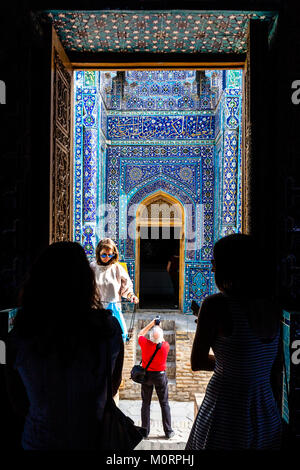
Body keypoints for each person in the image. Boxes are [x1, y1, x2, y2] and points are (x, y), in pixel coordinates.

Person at [5, 241, 124, 450]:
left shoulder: (20, 335)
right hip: (92, 441)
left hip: (39, 442)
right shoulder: (109, 330)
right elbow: (112, 385)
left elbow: (17, 401)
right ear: (87, 281)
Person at [185, 233, 283, 450]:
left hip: (226, 409)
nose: (211, 269)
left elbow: (197, 361)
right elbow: (273, 364)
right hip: (265, 409)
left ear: (230, 267)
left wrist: (232, 365)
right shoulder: (274, 305)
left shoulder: (214, 305)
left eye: (215, 263)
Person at [90, 238, 139, 342]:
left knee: (115, 340)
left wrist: (131, 296)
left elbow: (125, 287)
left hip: (113, 309)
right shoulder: (92, 267)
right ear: (98, 253)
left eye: (110, 254)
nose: (107, 257)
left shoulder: (117, 268)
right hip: (96, 309)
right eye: (104, 254)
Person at [138, 319, 174, 439]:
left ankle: (145, 431)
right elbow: (161, 340)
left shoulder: (145, 343)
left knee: (146, 403)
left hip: (147, 376)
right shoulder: (165, 346)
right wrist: (159, 329)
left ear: (150, 337)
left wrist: (152, 324)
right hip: (160, 376)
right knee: (164, 403)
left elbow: (140, 334)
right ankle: (168, 431)